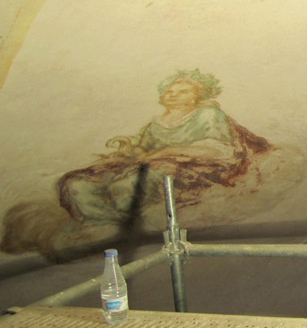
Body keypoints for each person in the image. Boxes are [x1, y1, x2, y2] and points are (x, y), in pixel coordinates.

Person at [57, 69, 273, 224]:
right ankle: (106, 221)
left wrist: (166, 152)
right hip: (147, 165)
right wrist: (128, 147)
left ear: (196, 97)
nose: (173, 94)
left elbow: (220, 150)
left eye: (182, 91)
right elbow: (142, 151)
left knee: (132, 183)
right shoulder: (155, 124)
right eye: (169, 91)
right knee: (77, 183)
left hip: (197, 169)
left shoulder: (208, 114)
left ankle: (126, 220)